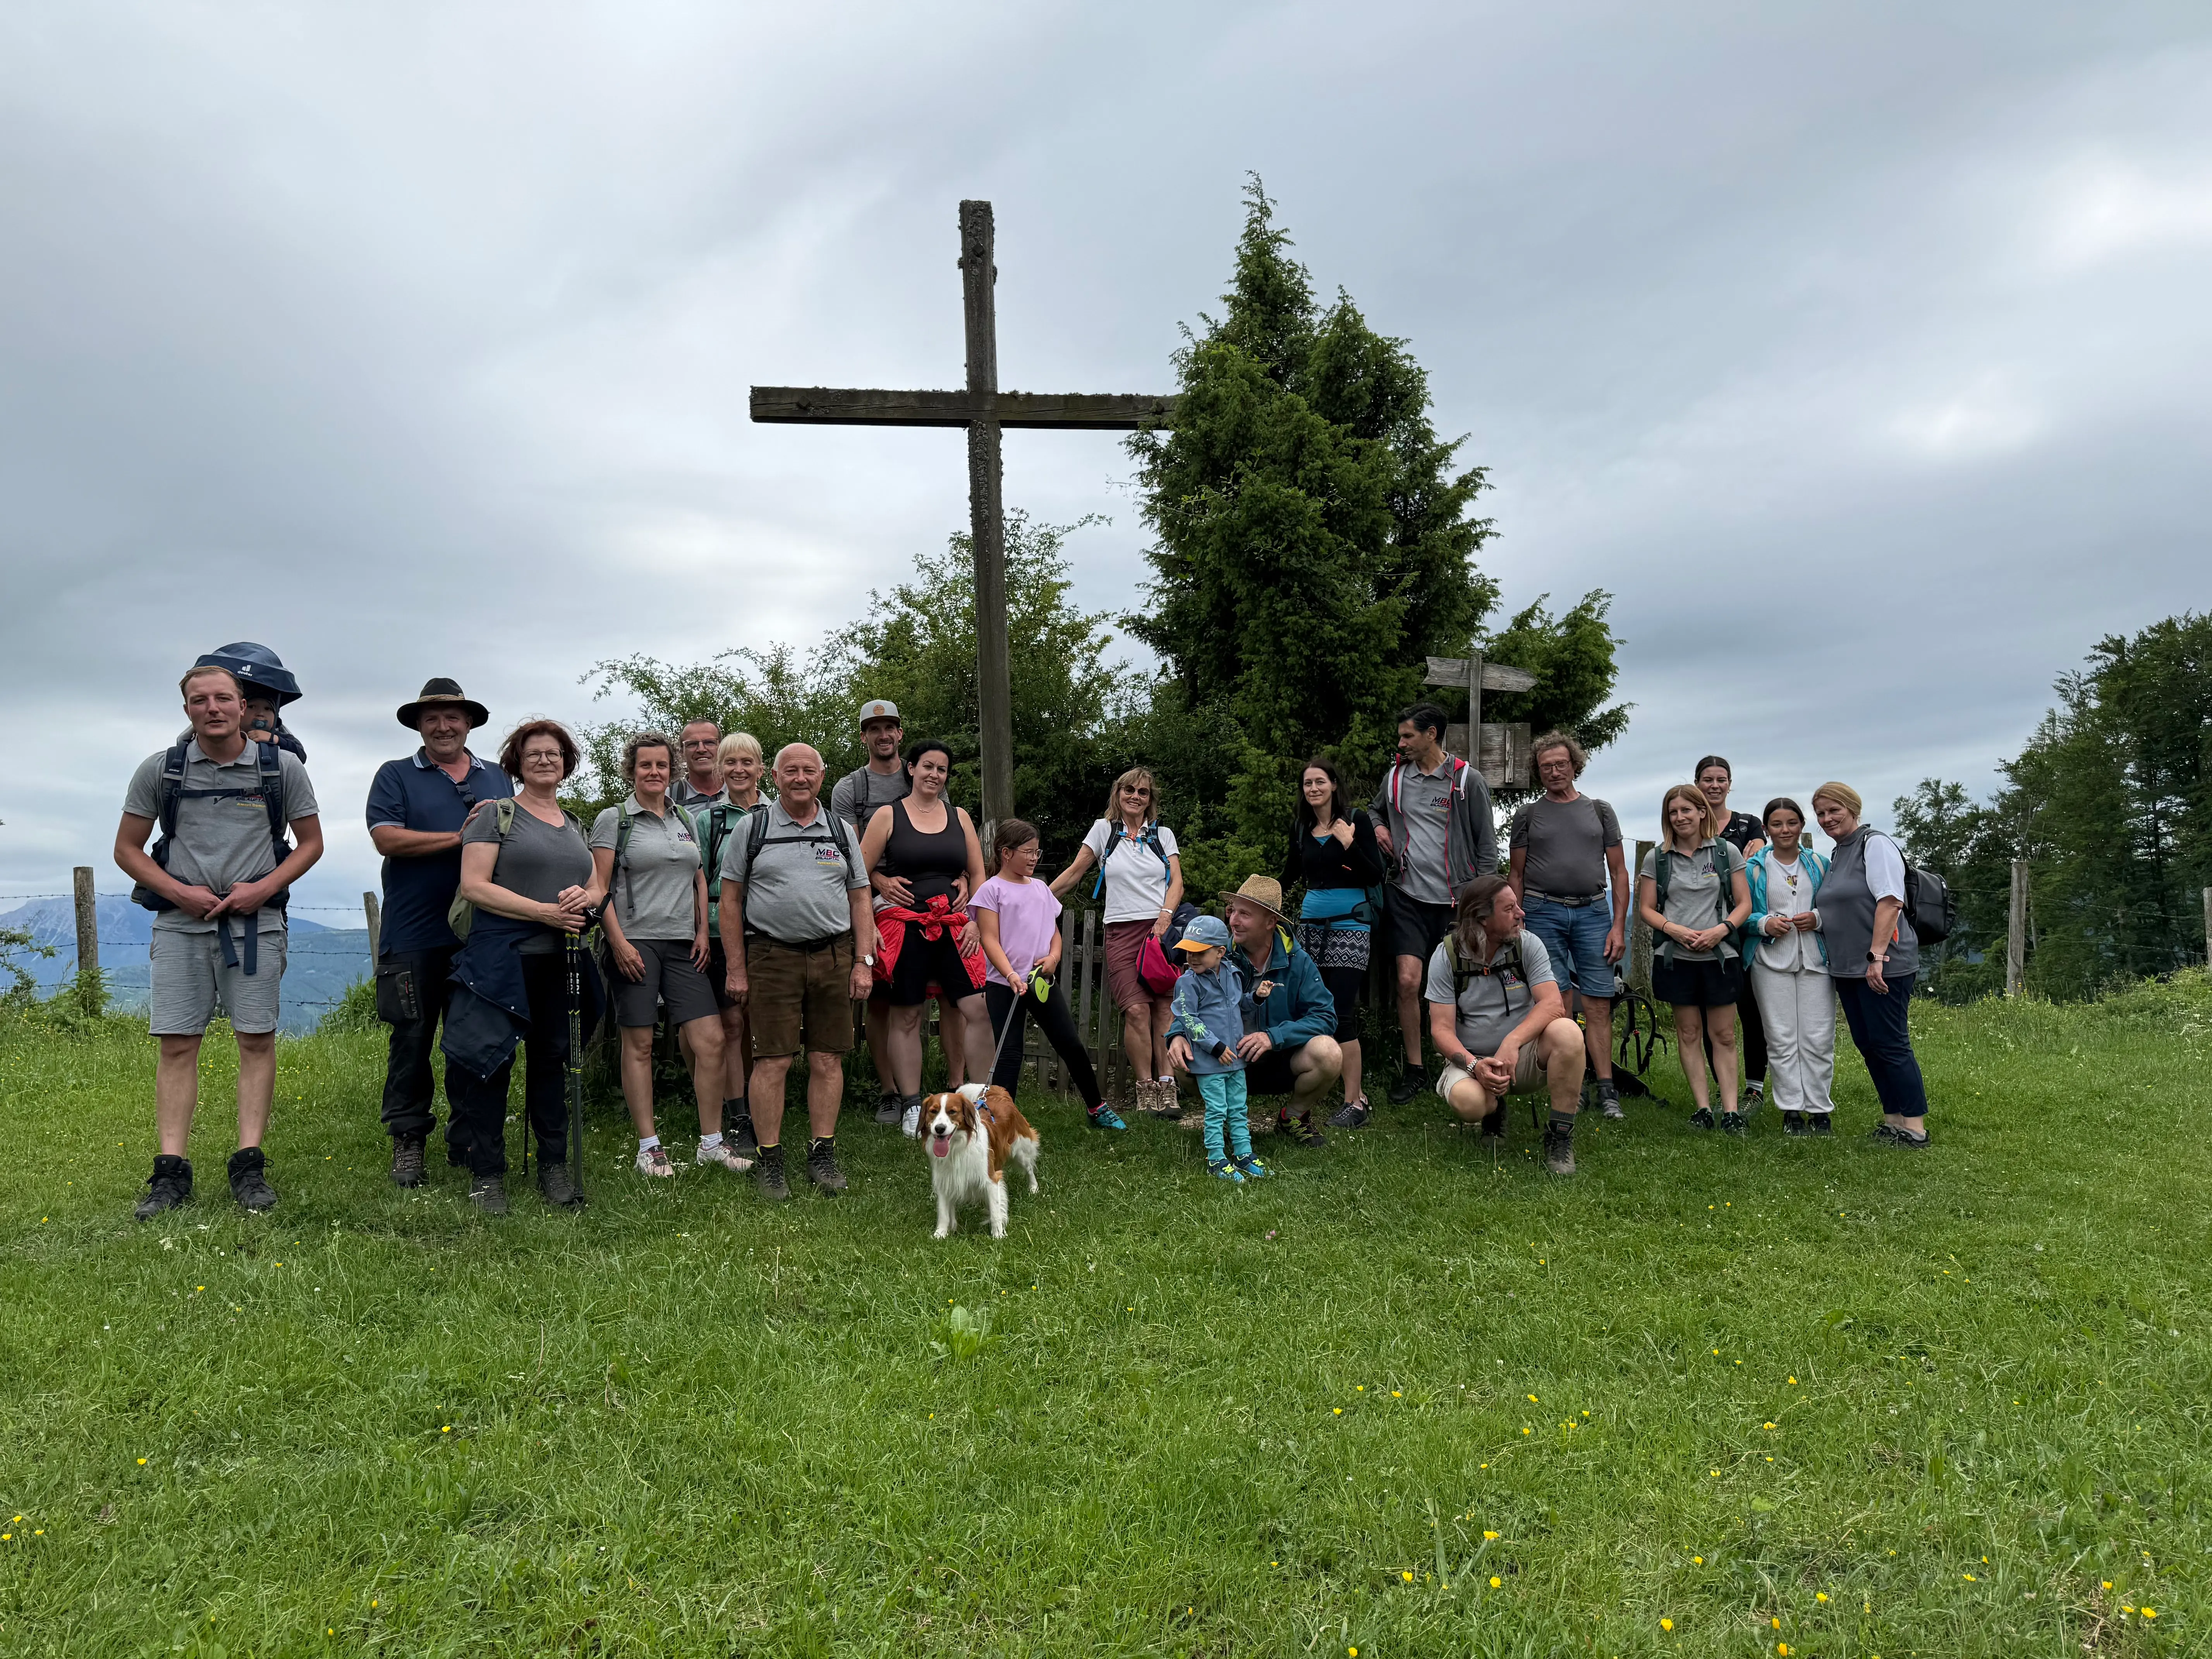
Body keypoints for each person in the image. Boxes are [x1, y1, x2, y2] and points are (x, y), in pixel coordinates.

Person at [116, 663, 325, 1220]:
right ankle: (170, 1172)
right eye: (200, 700)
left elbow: (311, 844)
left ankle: (249, 1165)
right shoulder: (162, 770)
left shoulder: (280, 769)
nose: (213, 708)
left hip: (257, 925)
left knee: (256, 1040)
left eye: (223, 699)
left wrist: (264, 889)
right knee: (178, 1044)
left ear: (243, 706)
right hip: (182, 924)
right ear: (187, 710)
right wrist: (178, 893)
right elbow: (129, 849)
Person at [442, 719, 598, 1214]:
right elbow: (475, 885)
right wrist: (545, 912)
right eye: (534, 754)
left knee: (552, 1063)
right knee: (490, 1065)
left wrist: (584, 898)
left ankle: (553, 1166)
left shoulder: (575, 826)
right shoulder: (497, 816)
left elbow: (596, 886)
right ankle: (488, 1175)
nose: (545, 760)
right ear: (517, 762)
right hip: (501, 962)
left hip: (561, 962)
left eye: (554, 753)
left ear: (566, 763)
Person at [365, 677, 512, 1188]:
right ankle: (409, 1141)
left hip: (482, 934)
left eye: (453, 717)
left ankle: (467, 1137)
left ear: (469, 723)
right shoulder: (396, 776)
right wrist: (461, 838)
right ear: (420, 726)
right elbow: (386, 838)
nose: (444, 725)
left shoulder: (498, 778)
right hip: (413, 934)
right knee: (411, 1040)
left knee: (473, 1040)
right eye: (433, 718)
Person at [718, 743, 876, 1199]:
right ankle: (770, 1160)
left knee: (828, 1058)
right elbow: (730, 902)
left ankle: (822, 1154)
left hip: (834, 955)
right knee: (773, 1060)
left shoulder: (842, 831)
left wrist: (864, 962)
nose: (800, 778)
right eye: (791, 771)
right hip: (772, 956)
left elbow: (860, 898)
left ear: (823, 777)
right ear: (776, 776)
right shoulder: (754, 828)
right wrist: (737, 969)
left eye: (809, 770)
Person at [589, 732, 745, 1178]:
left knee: (710, 1040)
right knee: (639, 1045)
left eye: (661, 766)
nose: (654, 773)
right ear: (632, 771)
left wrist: (700, 930)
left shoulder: (683, 817)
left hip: (683, 946)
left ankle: (712, 1142)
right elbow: (599, 887)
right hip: (634, 943)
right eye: (645, 766)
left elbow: (698, 874)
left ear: (671, 771)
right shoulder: (614, 820)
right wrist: (617, 943)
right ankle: (649, 1148)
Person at [831, 698, 969, 1116]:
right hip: (878, 898)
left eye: (890, 727)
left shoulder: (932, 780)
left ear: (901, 736)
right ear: (864, 737)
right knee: (883, 1000)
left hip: (937, 899)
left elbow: (950, 839)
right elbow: (851, 858)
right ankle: (892, 1092)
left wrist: (961, 877)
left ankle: (957, 1086)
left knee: (954, 997)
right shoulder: (851, 789)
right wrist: (878, 881)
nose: (884, 735)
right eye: (875, 729)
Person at [857, 738, 995, 1135]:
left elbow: (980, 874)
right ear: (912, 769)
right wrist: (873, 912)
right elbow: (858, 874)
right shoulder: (889, 815)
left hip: (956, 928)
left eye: (942, 770)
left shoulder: (961, 817)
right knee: (907, 1015)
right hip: (905, 927)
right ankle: (912, 1103)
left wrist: (974, 919)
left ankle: (978, 1099)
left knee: (978, 1010)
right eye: (928, 767)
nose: (935, 775)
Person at [1370, 702, 1498, 1106]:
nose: (1401, 743)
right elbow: (1375, 809)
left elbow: (1487, 846)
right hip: (1406, 895)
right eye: (1401, 736)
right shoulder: (1395, 780)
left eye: (1408, 736)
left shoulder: (1466, 781)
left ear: (1432, 735)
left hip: (1455, 903)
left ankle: (1462, 1062)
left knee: (1460, 987)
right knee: (1408, 982)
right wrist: (1378, 828)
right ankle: (1414, 1069)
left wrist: (1480, 901)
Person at [1424, 873, 1587, 1175]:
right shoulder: (1447, 956)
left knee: (1569, 1032)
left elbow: (1554, 1004)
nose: (1521, 913)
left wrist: (1512, 1043)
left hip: (1522, 1058)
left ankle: (1560, 1136)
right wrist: (1475, 1066)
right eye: (1510, 909)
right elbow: (1441, 1031)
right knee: (1468, 1103)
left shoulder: (1527, 945)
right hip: (1473, 1061)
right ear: (1483, 918)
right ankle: (1493, 1110)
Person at [970, 818, 1124, 1130]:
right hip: (1005, 986)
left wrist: (1054, 958)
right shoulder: (991, 890)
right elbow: (989, 939)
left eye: (1036, 853)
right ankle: (1001, 1122)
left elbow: (1054, 934)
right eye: (1027, 852)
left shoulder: (1041, 889)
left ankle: (1097, 1108)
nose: (1033, 858)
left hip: (1041, 983)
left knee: (1070, 1044)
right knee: (1010, 1054)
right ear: (1006, 853)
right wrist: (1011, 974)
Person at [1049, 767, 1185, 1117]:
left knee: (1165, 1010)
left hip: (1160, 932)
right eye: (1129, 790)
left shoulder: (1164, 835)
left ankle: (1167, 1088)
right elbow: (1076, 872)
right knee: (1137, 1010)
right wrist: (1040, 900)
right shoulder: (1103, 831)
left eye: (1143, 792)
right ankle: (1145, 1089)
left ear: (1150, 800)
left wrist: (1165, 917)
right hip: (1121, 932)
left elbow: (1177, 884)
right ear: (1118, 793)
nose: (1135, 797)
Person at [1508, 732, 1630, 1121]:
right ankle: (1569, 1088)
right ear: (1538, 771)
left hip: (1594, 913)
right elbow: (1516, 874)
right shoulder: (1527, 816)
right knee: (1555, 1006)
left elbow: (1619, 871)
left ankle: (1607, 1089)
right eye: (1546, 767)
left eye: (1561, 764)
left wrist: (1618, 927)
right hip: (1542, 912)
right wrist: (1517, 919)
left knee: (1598, 1004)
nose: (1555, 772)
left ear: (1575, 765)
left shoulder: (1600, 811)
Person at [1810, 783, 1931, 1147]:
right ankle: (1893, 1120)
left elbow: (1891, 901)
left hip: (1884, 964)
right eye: (1821, 813)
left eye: (1834, 811)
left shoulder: (1873, 844)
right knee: (1868, 1043)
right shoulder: (1838, 853)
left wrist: (1877, 957)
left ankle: (1915, 1126)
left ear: (1853, 809)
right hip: (1848, 967)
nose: (1827, 819)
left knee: (1891, 1043)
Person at [1637, 783, 1753, 1131]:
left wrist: (1721, 930)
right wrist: (1675, 930)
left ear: (1702, 812)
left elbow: (1744, 903)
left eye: (1687, 810)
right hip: (1677, 957)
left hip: (1720, 956)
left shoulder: (1726, 852)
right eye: (1673, 812)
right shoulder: (1656, 858)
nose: (1680, 817)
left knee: (1725, 1036)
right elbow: (1646, 909)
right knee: (1689, 1034)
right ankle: (1703, 1109)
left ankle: (1731, 1112)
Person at [1281, 757, 1385, 1136]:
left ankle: (1355, 1100)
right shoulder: (1302, 828)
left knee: (1342, 1011)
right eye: (1307, 784)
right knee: (1309, 1006)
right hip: (1309, 929)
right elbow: (1291, 873)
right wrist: (1257, 898)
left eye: (1320, 782)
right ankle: (1314, 1083)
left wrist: (1350, 843)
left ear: (1334, 785)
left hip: (1350, 927)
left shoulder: (1356, 821)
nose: (1313, 789)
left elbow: (1375, 873)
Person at [1221, 876, 1344, 1145]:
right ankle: (1225, 1120)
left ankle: (1294, 1118)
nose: (1233, 921)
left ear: (1270, 922)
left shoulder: (1298, 961)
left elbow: (1325, 1017)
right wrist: (1176, 1037)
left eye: (1245, 914)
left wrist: (1274, 1037)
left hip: (1283, 1059)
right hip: (1228, 1061)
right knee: (1183, 1058)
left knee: (1329, 1053)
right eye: (1233, 911)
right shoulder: (1218, 956)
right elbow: (1187, 1005)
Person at [698, 731, 771, 1154]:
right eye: (731, 763)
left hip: (767, 931)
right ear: (720, 770)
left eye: (747, 762)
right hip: (719, 930)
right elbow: (698, 880)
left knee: (760, 1022)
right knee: (730, 1025)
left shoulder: (776, 814)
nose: (739, 770)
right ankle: (739, 1112)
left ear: (761, 769)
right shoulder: (709, 821)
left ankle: (766, 1101)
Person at [1745, 797, 1836, 1134]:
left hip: (1816, 959)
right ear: (1766, 829)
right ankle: (1792, 1111)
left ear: (1802, 825)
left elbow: (1835, 909)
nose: (1785, 830)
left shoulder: (1820, 864)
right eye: (1777, 824)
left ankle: (1820, 1109)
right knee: (1781, 1038)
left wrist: (1817, 918)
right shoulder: (1755, 868)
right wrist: (1764, 924)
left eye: (1792, 823)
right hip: (1770, 961)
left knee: (1818, 1037)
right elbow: (1742, 914)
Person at [1165, 915, 1268, 1182]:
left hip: (1235, 1059)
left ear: (1221, 952)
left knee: (1238, 1108)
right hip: (1212, 1062)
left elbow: (1239, 1007)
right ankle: (1216, 1159)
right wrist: (1216, 1047)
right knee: (1217, 1110)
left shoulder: (1233, 974)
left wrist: (1256, 998)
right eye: (1189, 951)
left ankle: (1244, 1154)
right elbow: (1188, 1019)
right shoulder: (1187, 982)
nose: (1192, 958)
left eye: (1200, 952)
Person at [1696, 755, 1769, 1108]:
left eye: (1721, 779)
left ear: (1729, 784)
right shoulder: (1689, 824)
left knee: (1750, 1009)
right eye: (1707, 779)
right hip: (1700, 929)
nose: (1714, 785)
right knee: (1710, 1012)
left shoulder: (1748, 824)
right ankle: (1722, 1084)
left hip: (1743, 929)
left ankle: (1754, 1087)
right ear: (1697, 784)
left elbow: (1759, 864)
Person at [184, 643, 308, 761]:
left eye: (268, 709)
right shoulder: (217, 731)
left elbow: (301, 755)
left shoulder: (279, 736)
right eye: (253, 707)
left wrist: (274, 739)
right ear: (241, 708)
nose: (260, 713)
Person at [672, 718, 725, 811]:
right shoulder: (668, 799)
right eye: (692, 744)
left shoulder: (740, 792)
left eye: (709, 742)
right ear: (681, 753)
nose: (701, 749)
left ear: (722, 748)